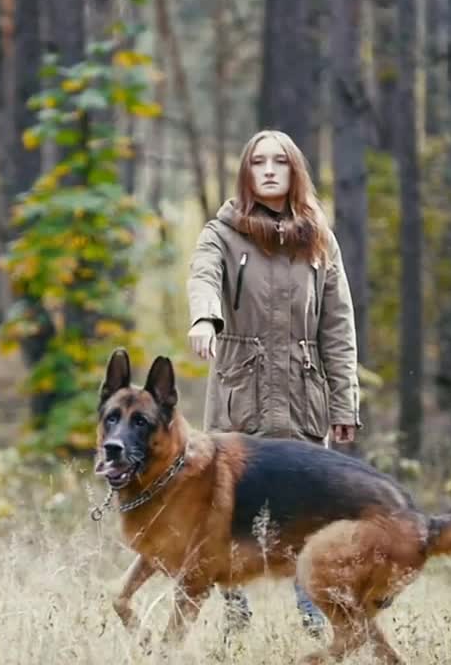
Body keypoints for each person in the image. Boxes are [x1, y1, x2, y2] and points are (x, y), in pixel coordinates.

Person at [185, 129, 361, 637]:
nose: (267, 170)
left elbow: (338, 325)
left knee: (308, 511)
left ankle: (314, 616)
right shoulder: (222, 232)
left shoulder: (319, 239)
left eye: (278, 162)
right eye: (257, 161)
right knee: (228, 509)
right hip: (241, 393)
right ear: (245, 171)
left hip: (304, 399)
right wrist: (205, 319)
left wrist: (344, 403)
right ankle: (235, 610)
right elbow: (203, 276)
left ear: (293, 171)